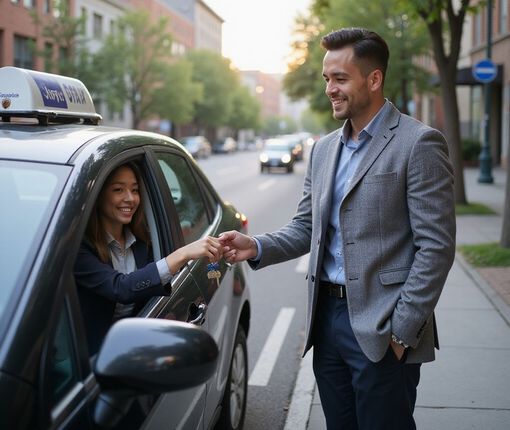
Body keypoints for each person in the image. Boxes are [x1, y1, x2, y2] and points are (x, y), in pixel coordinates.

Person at [219, 28, 456, 430]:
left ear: (374, 79)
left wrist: (400, 332)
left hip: (382, 328)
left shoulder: (419, 143)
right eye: (327, 78)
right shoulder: (324, 149)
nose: (330, 88)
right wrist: (255, 245)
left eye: (340, 78)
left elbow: (436, 248)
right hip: (326, 323)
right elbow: (306, 227)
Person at [74, 162, 222, 355]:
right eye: (118, 189)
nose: (130, 198)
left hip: (139, 347)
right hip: (97, 358)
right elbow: (122, 288)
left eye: (135, 190)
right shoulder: (80, 249)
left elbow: (157, 281)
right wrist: (182, 254)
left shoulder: (146, 240)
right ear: (98, 195)